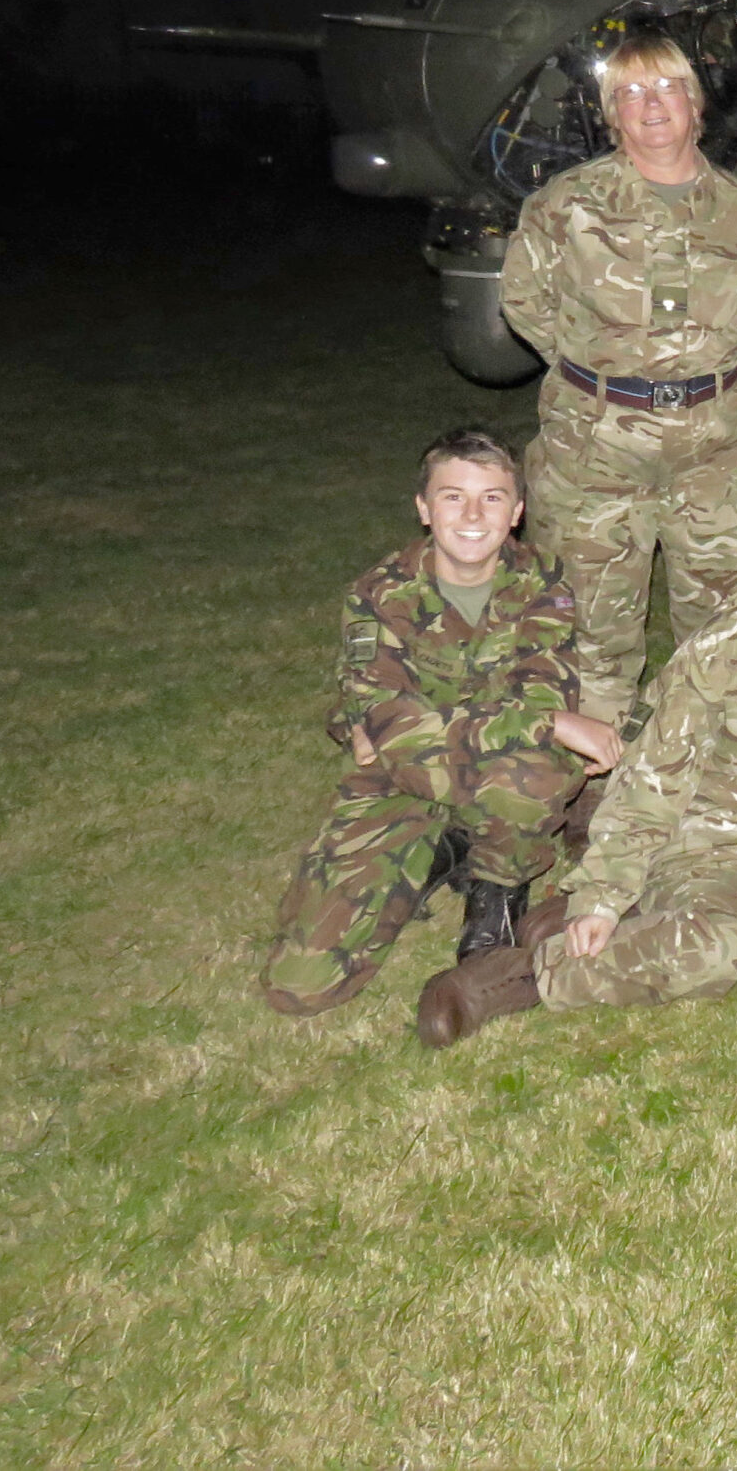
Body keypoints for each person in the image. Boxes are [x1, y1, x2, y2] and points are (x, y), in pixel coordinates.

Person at [414, 475, 737, 1045]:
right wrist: (604, 891)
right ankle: (518, 979)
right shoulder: (733, 638)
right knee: (716, 942)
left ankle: (635, 923)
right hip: (719, 831)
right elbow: (656, 771)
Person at [262, 428, 622, 1027]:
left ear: (518, 511)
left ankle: (498, 889)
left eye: (493, 498)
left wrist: (419, 727)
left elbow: (528, 692)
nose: (474, 515)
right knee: (299, 988)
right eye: (453, 497)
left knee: (529, 779)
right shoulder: (377, 594)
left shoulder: (544, 582)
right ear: (424, 509)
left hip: (498, 778)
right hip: (396, 786)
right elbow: (391, 729)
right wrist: (547, 721)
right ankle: (446, 846)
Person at [501, 32, 737, 735]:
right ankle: (597, 780)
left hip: (714, 453)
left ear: (694, 103)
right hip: (597, 451)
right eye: (629, 93)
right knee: (592, 627)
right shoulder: (568, 205)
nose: (649, 104)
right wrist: (601, 377)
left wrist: (698, 381)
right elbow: (524, 301)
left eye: (664, 87)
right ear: (612, 115)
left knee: (720, 625)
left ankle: (707, 774)